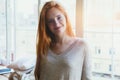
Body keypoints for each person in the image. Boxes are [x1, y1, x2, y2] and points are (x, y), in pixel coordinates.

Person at [34, 1, 92, 80]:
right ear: (46, 26)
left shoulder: (82, 46)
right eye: (50, 21)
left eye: (59, 18)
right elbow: (38, 75)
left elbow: (87, 78)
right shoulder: (44, 47)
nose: (56, 24)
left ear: (65, 17)